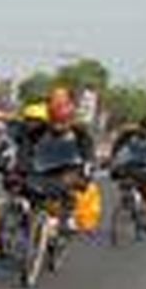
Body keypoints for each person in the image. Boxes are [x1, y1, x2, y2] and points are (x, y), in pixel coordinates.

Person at [26, 87, 95, 229]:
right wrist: (19, 170)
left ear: (70, 118)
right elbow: (25, 152)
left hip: (69, 172)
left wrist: (85, 176)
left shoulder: (80, 133)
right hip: (43, 170)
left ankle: (68, 214)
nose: (58, 126)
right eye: (54, 121)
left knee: (66, 190)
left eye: (63, 121)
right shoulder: (37, 132)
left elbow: (88, 157)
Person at [109, 116, 146, 219]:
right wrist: (112, 159)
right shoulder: (129, 134)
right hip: (132, 164)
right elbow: (117, 146)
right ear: (140, 127)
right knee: (118, 174)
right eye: (144, 128)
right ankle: (128, 199)